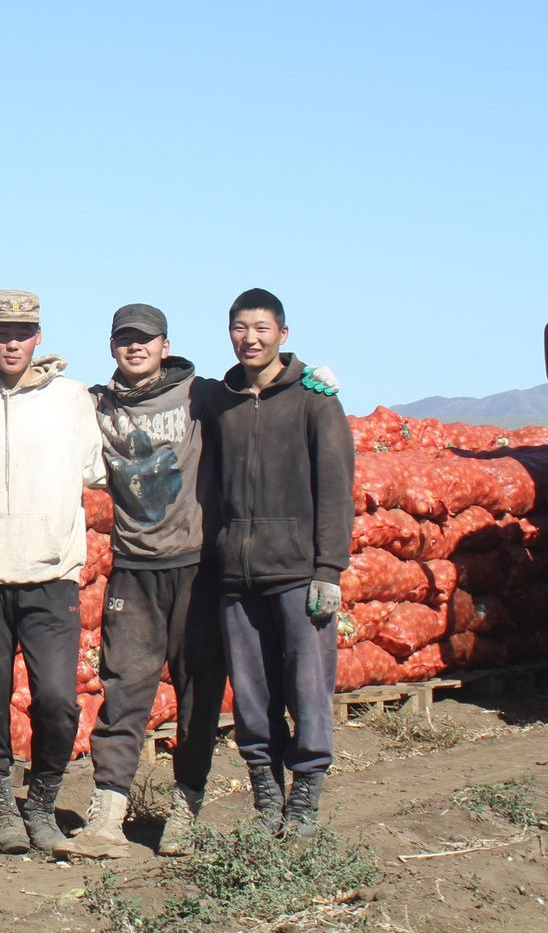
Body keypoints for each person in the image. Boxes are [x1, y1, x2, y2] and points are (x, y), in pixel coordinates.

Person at [0, 291, 103, 858]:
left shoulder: (74, 399)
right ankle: (2, 807)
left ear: (39, 336)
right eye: (1, 332)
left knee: (57, 699)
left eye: (23, 332)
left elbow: (109, 464)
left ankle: (43, 800)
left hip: (50, 573)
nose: (11, 343)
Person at [67, 304, 229, 860]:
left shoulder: (201, 394)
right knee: (124, 686)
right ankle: (108, 811)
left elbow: (262, 389)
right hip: (133, 568)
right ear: (112, 347)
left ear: (165, 344)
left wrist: (311, 379)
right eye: (124, 341)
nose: (134, 349)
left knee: (198, 689)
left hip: (195, 566)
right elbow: (42, 402)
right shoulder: (97, 404)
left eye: (145, 340)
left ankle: (185, 806)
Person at [206, 289, 352, 841]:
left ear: (282, 335)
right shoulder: (220, 402)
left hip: (298, 574)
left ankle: (306, 797)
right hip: (237, 576)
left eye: (262, 328)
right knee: (252, 692)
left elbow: (337, 489)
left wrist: (329, 570)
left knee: (308, 687)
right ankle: (267, 797)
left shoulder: (315, 401)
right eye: (240, 328)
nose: (251, 338)